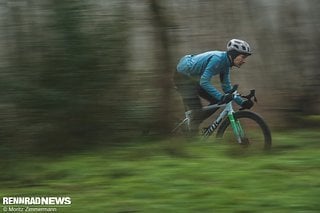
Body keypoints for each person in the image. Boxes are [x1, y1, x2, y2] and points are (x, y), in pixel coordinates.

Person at [174, 38, 254, 133]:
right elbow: (204, 81)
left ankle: (193, 125)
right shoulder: (217, 58)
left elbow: (227, 88)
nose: (244, 60)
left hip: (194, 79)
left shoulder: (226, 65)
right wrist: (222, 97)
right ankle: (192, 133)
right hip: (183, 77)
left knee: (216, 101)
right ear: (234, 54)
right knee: (198, 109)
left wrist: (242, 103)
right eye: (243, 57)